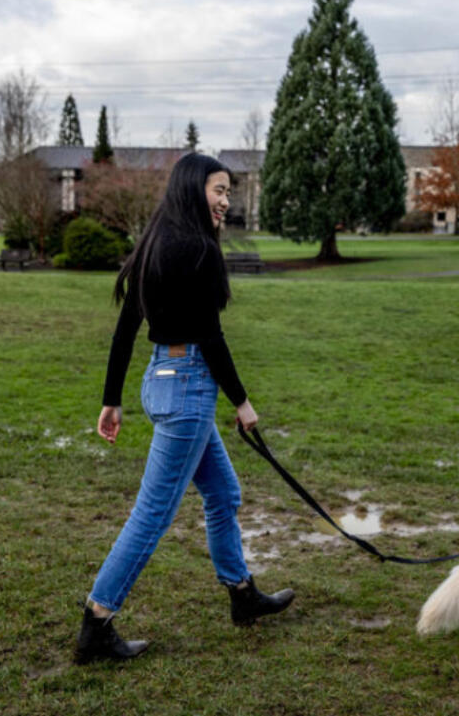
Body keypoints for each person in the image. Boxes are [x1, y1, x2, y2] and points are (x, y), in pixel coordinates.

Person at [74, 153, 295, 665]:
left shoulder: (154, 242)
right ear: (194, 189)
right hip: (189, 388)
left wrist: (112, 399)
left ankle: (242, 596)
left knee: (223, 492)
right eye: (219, 191)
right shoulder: (197, 248)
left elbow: (127, 327)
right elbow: (210, 336)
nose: (225, 202)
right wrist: (241, 401)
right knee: (152, 514)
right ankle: (97, 621)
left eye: (228, 193)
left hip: (162, 381)